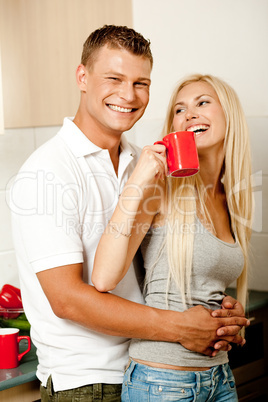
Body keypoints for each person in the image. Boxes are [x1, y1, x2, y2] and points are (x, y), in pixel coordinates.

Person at [9, 23, 249, 401]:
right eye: (114, 78)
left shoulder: (145, 161)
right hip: (88, 383)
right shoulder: (46, 173)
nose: (128, 94)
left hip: (147, 364)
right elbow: (69, 299)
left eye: (141, 83)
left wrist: (217, 317)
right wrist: (181, 328)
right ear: (82, 77)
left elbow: (164, 267)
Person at [92, 73, 253, 401]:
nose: (190, 114)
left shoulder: (232, 197)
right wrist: (138, 180)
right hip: (163, 380)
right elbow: (103, 277)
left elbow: (204, 283)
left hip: (220, 376)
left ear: (230, 115)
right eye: (180, 109)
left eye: (202, 103)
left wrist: (229, 316)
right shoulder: (162, 189)